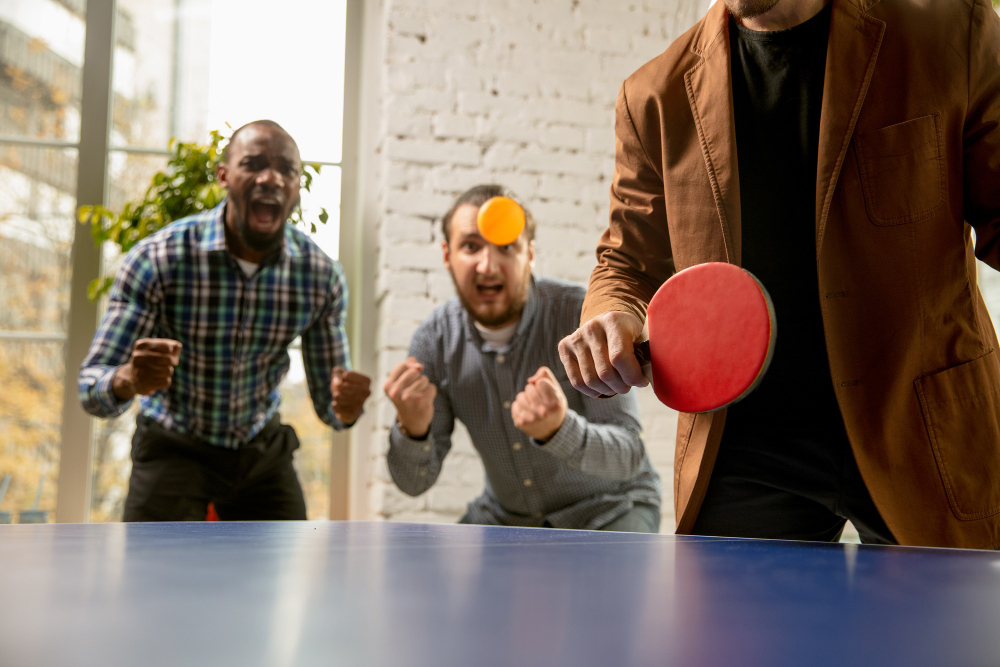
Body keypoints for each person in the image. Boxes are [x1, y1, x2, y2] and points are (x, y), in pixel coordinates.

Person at [559, 0, 1000, 549]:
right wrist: (612, 316)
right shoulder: (653, 96)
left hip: (922, 423)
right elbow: (625, 262)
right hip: (746, 442)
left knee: (953, 636)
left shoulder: (953, 31)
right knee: (729, 639)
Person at [79, 120, 371, 521]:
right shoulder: (158, 259)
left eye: (286, 169)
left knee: (288, 577)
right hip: (174, 444)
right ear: (224, 176)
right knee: (151, 579)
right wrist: (129, 378)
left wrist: (347, 407)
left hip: (260, 451)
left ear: (297, 186)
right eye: (253, 164)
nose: (271, 178)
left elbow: (331, 406)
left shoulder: (319, 277)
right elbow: (90, 386)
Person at [384, 184, 662, 531]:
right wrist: (412, 429)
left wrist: (561, 431)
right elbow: (413, 484)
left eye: (505, 247)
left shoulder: (578, 316)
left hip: (610, 510)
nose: (487, 266)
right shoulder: (434, 343)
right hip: (506, 519)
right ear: (446, 255)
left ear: (529, 255)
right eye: (471, 246)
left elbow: (629, 457)